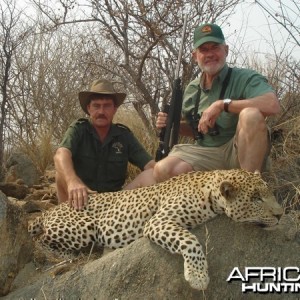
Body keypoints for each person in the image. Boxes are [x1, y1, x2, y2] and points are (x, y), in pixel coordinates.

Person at [154, 23, 281, 182]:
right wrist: (172, 125)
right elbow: (196, 131)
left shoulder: (244, 77)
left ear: (226, 50)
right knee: (163, 169)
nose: (210, 54)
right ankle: (208, 201)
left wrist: (223, 105)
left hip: (237, 152)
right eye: (204, 50)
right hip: (206, 154)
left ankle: (248, 188)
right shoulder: (192, 89)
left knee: (251, 115)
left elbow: (272, 104)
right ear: (195, 56)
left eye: (215, 47)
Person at [54, 79, 156, 210]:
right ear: (88, 109)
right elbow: (61, 154)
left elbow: (150, 166)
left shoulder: (124, 135)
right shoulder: (78, 129)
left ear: (115, 109)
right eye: (96, 106)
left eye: (107, 106)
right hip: (82, 199)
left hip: (114, 204)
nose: (101, 111)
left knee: (151, 174)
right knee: (60, 173)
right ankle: (65, 214)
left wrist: (172, 171)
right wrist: (72, 182)